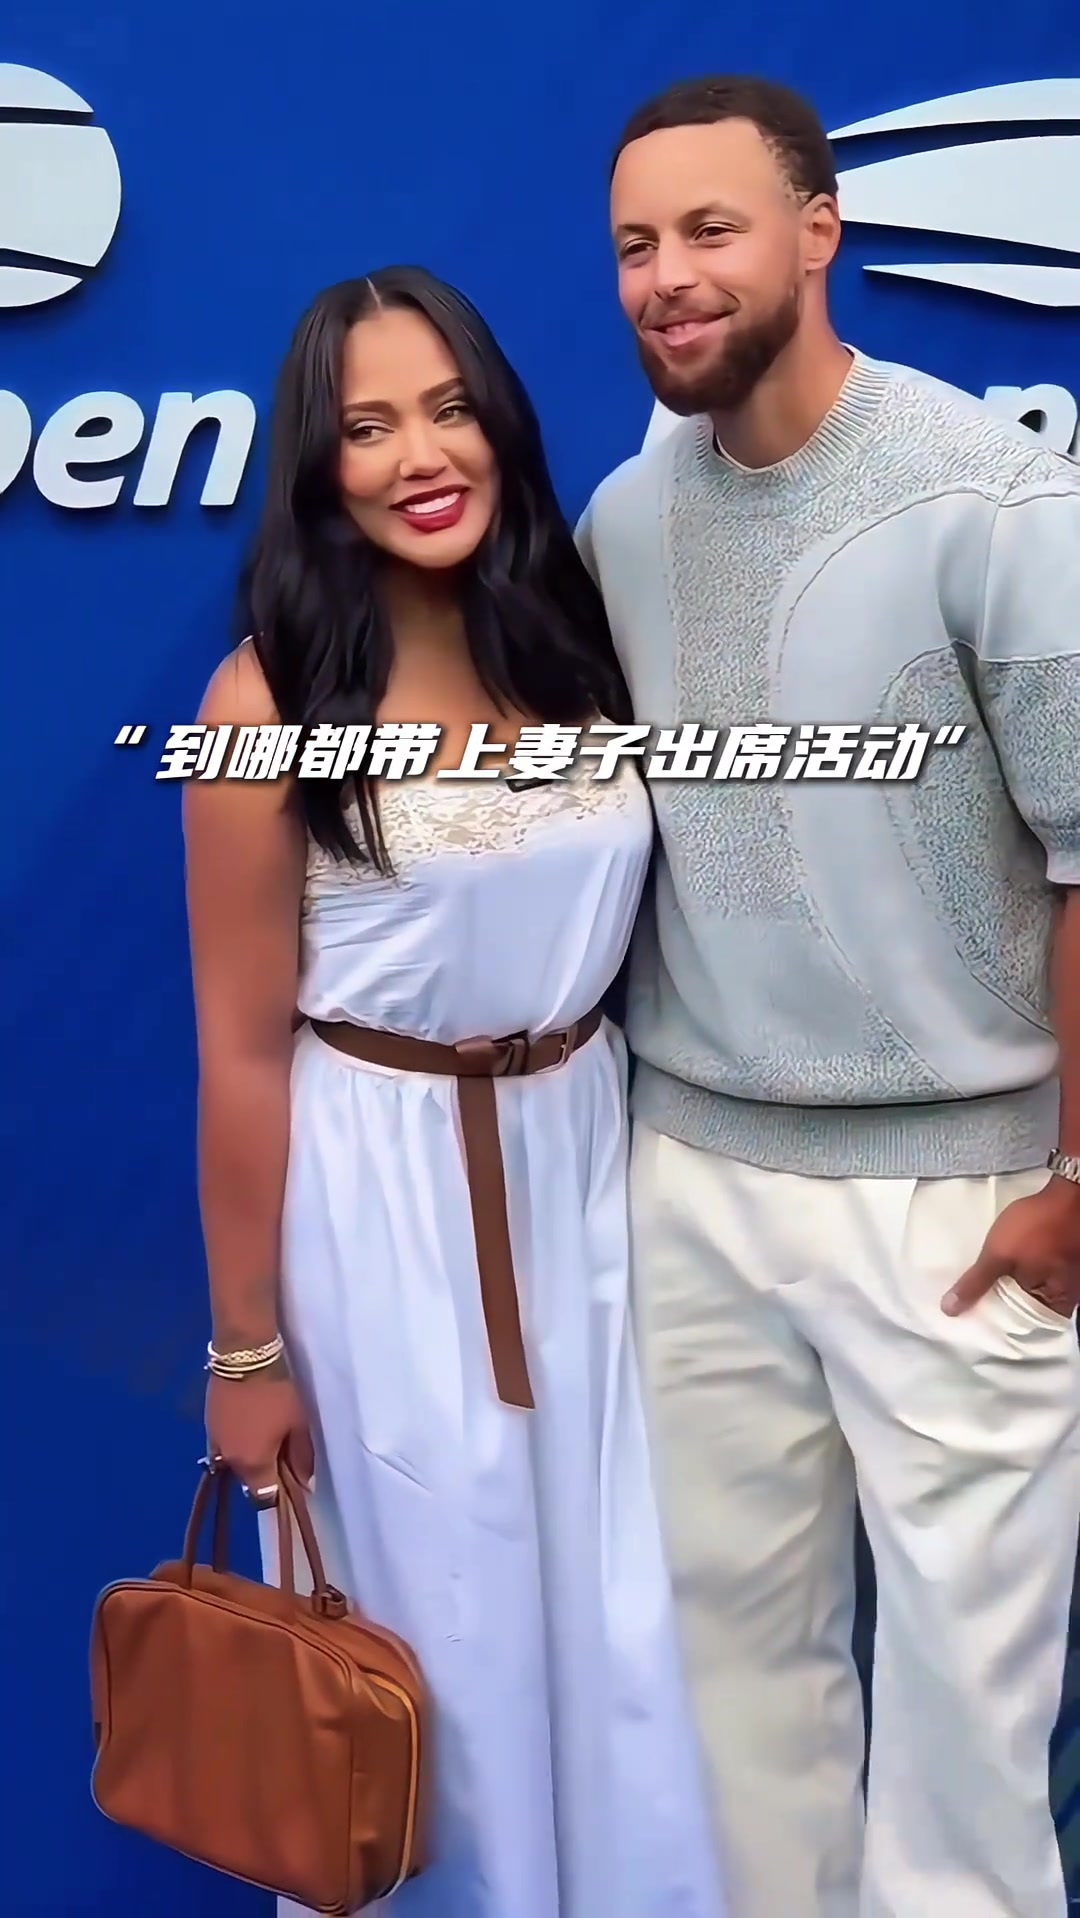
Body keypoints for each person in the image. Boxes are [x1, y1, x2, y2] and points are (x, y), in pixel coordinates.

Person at [575, 74, 1080, 1918]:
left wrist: (1074, 1180)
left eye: (711, 229)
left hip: (957, 1199)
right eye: (636, 244)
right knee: (727, 1711)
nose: (670, 276)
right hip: (693, 1175)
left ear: (818, 231)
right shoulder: (626, 516)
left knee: (967, 1745)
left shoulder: (997, 498)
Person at [183, 266, 728, 1918]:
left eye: (448, 409)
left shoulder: (581, 642)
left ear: (500, 422)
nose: (421, 455)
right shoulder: (263, 706)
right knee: (440, 1643)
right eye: (368, 427)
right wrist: (247, 1349)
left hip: (595, 1178)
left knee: (626, 1629)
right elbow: (238, 1048)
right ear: (318, 466)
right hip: (386, 1214)